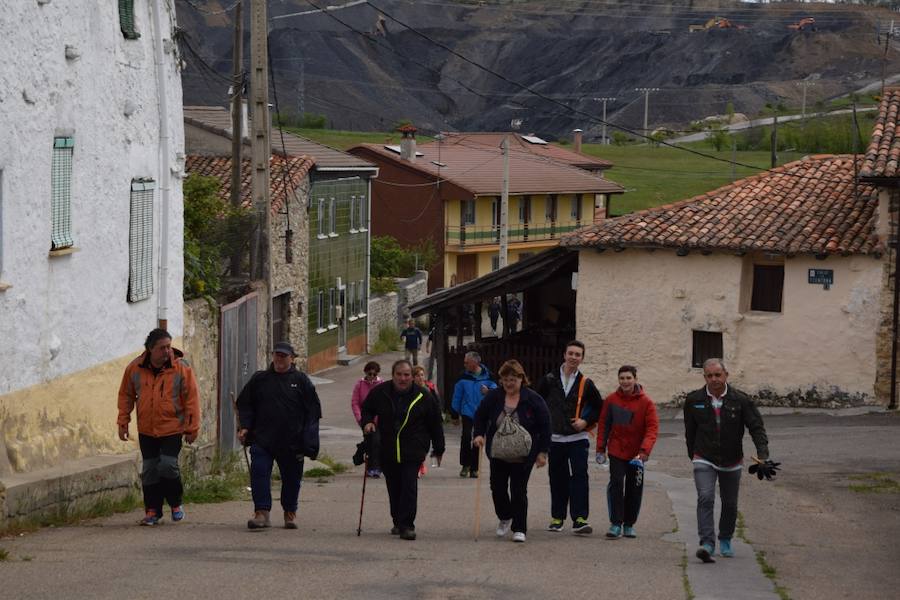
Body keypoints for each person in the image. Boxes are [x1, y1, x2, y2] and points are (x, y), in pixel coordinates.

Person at [684, 358, 773, 563]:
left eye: (718, 375)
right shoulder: (693, 399)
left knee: (730, 503)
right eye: (709, 375)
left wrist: (763, 455)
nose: (714, 379)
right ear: (704, 377)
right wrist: (693, 455)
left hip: (732, 459)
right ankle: (707, 543)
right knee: (705, 497)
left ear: (726, 375)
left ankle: (725, 538)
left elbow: (757, 428)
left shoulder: (740, 400)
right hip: (703, 457)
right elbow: (690, 430)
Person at [117, 328, 200, 526]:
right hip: (147, 429)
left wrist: (192, 428)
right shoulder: (134, 368)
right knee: (150, 469)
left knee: (168, 465)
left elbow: (191, 398)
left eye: (169, 347)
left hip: (172, 427)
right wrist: (123, 421)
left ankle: (175, 503)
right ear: (150, 349)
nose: (167, 352)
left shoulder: (181, 368)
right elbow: (126, 395)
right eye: (162, 348)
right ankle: (152, 511)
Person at [237, 342, 322, 530]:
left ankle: (290, 512)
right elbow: (245, 404)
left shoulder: (301, 381)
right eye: (276, 355)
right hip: (263, 439)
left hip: (292, 442)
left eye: (283, 356)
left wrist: (309, 441)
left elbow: (313, 412)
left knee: (292, 479)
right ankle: (261, 513)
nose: (279, 359)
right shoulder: (260, 379)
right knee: (259, 472)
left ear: (292, 358)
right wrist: (244, 427)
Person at [362, 360, 445, 540]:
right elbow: (366, 409)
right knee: (394, 487)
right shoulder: (380, 392)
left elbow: (435, 423)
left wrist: (439, 448)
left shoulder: (424, 396)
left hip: (413, 449)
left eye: (407, 375)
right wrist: (367, 422)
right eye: (399, 374)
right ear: (393, 375)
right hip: (387, 448)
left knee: (409, 486)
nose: (403, 378)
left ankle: (407, 525)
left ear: (412, 377)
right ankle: (397, 520)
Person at [473, 360, 551, 543]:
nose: (509, 383)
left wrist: (543, 452)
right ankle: (505, 516)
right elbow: (480, 416)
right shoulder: (493, 397)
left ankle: (519, 528)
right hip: (498, 452)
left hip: (523, 455)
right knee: (497, 488)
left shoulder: (533, 399)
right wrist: (478, 434)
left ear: (521, 379)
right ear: (501, 380)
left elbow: (545, 426)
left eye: (513, 379)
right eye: (506, 379)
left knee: (518, 490)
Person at [536, 340, 603, 535]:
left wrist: (585, 420)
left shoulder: (586, 383)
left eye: (578, 355)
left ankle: (580, 519)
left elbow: (600, 406)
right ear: (564, 355)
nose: (574, 357)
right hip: (554, 438)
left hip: (578, 439)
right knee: (557, 478)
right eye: (571, 353)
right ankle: (557, 517)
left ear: (582, 358)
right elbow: (537, 404)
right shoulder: (548, 379)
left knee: (580, 477)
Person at [596, 365, 659, 539]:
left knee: (634, 487)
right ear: (618, 380)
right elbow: (604, 424)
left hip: (637, 454)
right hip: (616, 450)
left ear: (635, 379)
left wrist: (644, 451)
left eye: (628, 378)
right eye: (622, 378)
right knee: (616, 483)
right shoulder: (611, 400)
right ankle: (616, 523)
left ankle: (629, 524)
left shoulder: (646, 402)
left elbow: (652, 429)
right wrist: (601, 448)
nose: (625, 381)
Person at [450, 351, 497, 478]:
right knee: (466, 436)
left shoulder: (489, 376)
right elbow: (457, 396)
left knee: (478, 439)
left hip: (482, 413)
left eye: (467, 362)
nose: (464, 364)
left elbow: (497, 391)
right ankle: (465, 465)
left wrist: (489, 391)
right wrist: (454, 414)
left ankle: (474, 468)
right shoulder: (462, 377)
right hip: (467, 412)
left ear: (475, 362)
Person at [352, 361, 383, 478]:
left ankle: (376, 467)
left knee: (376, 442)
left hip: (378, 420)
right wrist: (360, 419)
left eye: (374, 374)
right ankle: (370, 467)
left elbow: (383, 403)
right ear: (366, 372)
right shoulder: (359, 385)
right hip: (364, 420)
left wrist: (377, 420)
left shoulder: (381, 384)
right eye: (370, 374)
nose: (372, 377)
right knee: (369, 442)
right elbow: (355, 403)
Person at [413, 365, 441, 476]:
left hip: (427, 421)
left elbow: (437, 403)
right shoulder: (410, 389)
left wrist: (437, 417)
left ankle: (421, 461)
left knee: (425, 445)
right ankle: (417, 465)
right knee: (415, 444)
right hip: (415, 421)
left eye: (421, 375)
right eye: (417, 375)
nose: (420, 377)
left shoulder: (430, 388)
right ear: (413, 377)